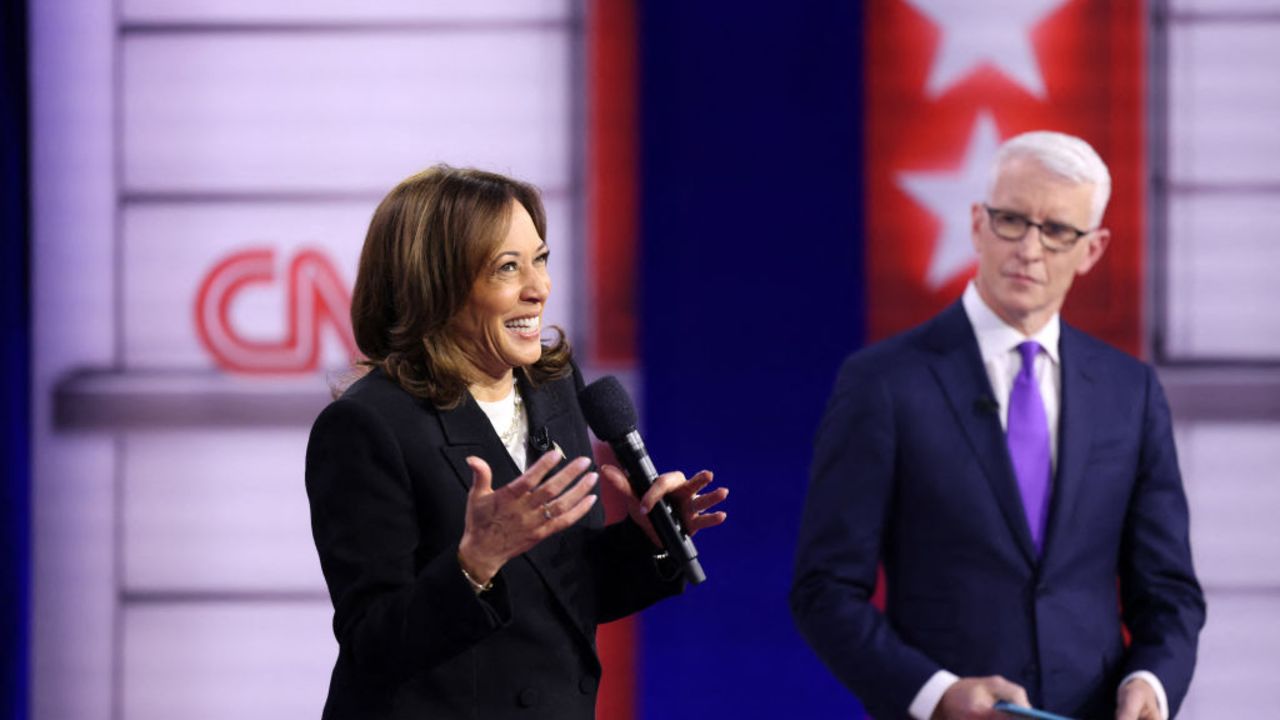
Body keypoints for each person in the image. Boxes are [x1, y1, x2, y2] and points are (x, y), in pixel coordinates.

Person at [790, 131, 1204, 720]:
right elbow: (823, 590)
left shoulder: (1129, 392)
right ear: (978, 223)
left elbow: (1169, 593)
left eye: (1058, 230)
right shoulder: (883, 383)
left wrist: (1151, 682)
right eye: (1012, 220)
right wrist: (935, 696)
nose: (1030, 249)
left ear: (1092, 249)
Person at [305, 165, 728, 719]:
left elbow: (561, 592)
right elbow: (374, 644)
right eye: (508, 268)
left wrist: (645, 540)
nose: (540, 288)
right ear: (436, 284)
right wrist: (474, 564)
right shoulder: (368, 426)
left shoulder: (553, 387)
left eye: (541, 259)